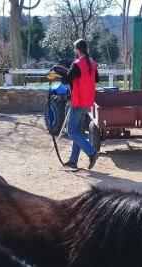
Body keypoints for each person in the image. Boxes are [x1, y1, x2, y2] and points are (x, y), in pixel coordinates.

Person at [60, 39, 99, 170]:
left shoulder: (77, 64)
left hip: (77, 103)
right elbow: (96, 79)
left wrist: (61, 74)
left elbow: (66, 80)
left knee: (71, 132)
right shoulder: (93, 63)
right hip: (88, 103)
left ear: (78, 50)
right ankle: (73, 160)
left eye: (74, 49)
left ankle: (92, 152)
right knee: (78, 132)